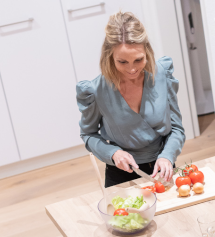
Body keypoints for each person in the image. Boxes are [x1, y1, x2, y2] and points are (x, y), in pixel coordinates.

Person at [77, 11, 185, 187]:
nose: (132, 69)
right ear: (109, 57)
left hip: (162, 168)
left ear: (147, 51)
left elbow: (177, 129)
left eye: (138, 59)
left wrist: (167, 156)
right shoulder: (95, 90)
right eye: (122, 62)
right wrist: (113, 153)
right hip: (121, 174)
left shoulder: (162, 75)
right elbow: (88, 134)